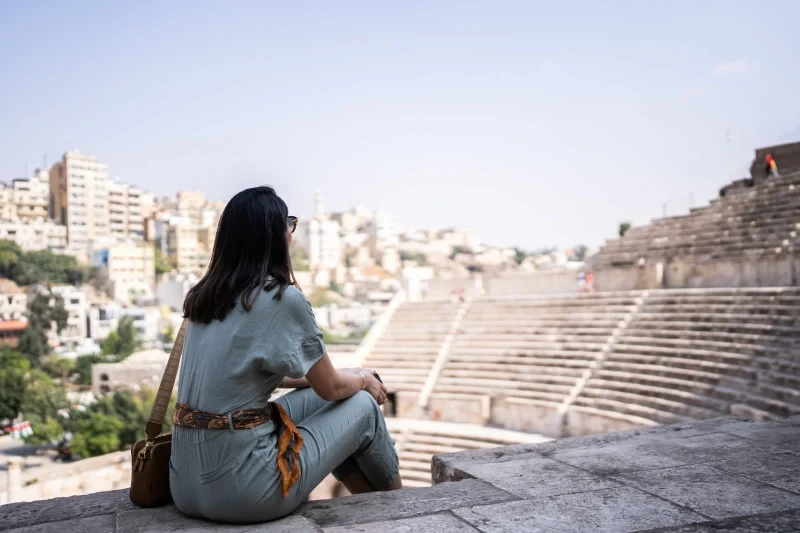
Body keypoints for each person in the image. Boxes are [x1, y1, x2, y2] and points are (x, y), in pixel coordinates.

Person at [169, 186, 401, 524]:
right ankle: (406, 506)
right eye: (288, 223)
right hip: (244, 491)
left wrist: (350, 373)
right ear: (276, 236)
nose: (291, 232)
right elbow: (333, 388)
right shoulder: (279, 297)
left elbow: (264, 372)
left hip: (184, 484)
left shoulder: (204, 297)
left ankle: (377, 506)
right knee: (362, 406)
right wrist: (363, 378)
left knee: (331, 402)